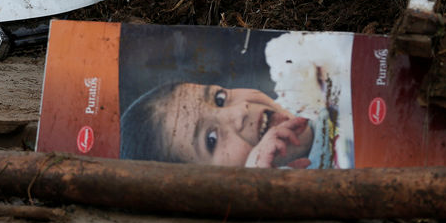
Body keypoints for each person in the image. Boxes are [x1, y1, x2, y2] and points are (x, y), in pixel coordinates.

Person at [119, 81, 338, 168]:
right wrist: (259, 190)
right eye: (211, 140)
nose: (239, 112)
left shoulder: (316, 83)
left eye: (220, 99)